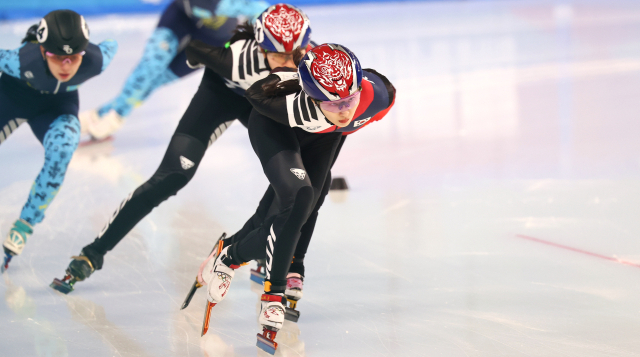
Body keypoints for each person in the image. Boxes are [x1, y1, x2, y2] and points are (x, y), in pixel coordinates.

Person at [50, 4, 313, 294]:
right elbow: (171, 62)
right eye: (278, 55)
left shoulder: (310, 66)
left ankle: (268, 248)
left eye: (295, 54)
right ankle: (93, 252)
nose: (288, 63)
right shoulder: (235, 57)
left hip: (262, 106)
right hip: (221, 96)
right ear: (261, 48)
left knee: (295, 176)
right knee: (171, 176)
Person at [196, 43, 396, 354]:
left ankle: (232, 256)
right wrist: (287, 77)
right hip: (275, 130)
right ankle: (271, 294)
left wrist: (342, 111)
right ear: (311, 96)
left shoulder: (376, 97)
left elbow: (380, 89)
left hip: (323, 138)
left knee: (311, 201)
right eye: (332, 104)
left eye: (349, 100)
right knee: (299, 198)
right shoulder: (291, 104)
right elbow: (255, 95)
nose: (344, 110)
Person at [0, 10, 118, 272]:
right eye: (57, 57)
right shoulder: (21, 61)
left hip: (56, 108)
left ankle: (25, 224)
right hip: (11, 99)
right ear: (43, 51)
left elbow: (113, 44)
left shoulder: (96, 60)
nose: (66, 66)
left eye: (74, 57)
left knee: (63, 150)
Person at [80, 0, 269, 141]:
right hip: (179, 19)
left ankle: (106, 114)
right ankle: (115, 115)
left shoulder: (232, 3)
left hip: (212, 40)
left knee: (157, 79)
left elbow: (266, 14)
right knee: (149, 68)